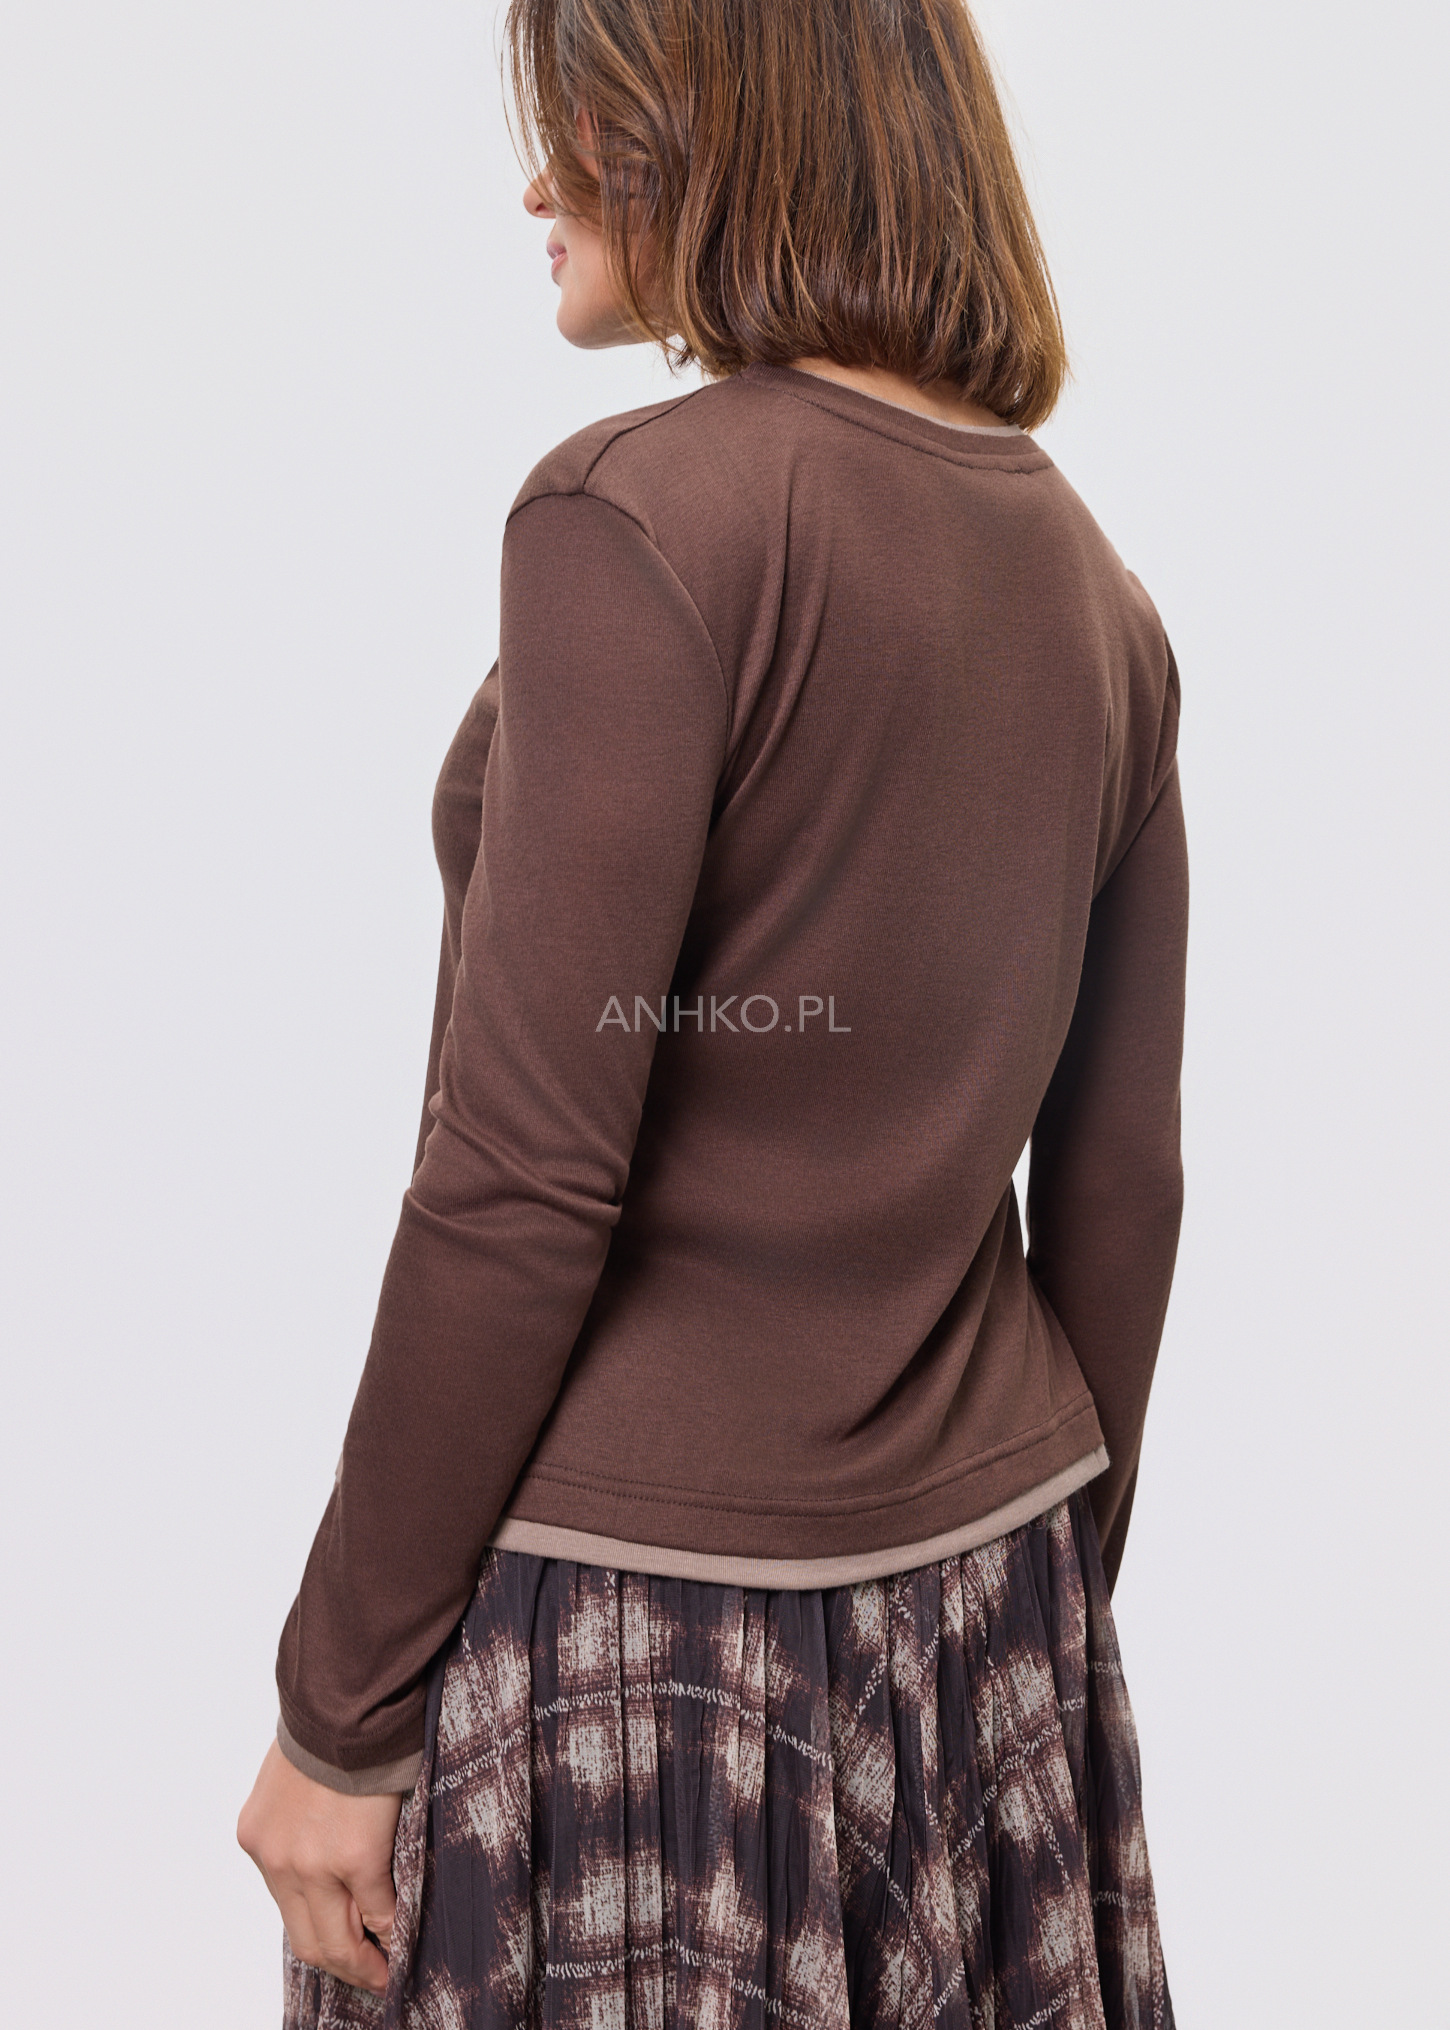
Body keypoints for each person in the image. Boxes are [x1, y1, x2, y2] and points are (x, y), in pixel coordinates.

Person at [238, 1, 1188, 2023]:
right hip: (993, 1598)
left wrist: (337, 1707)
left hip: (640, 1636)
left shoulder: (636, 514)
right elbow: (1119, 1182)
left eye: (584, 119)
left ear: (722, 121)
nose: (539, 178)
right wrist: (1030, 1607)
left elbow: (518, 1174)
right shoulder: (1092, 588)